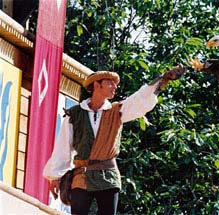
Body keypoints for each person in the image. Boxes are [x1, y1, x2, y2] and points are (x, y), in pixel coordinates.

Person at [43, 65, 185, 215]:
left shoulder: (118, 111)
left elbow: (139, 100)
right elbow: (63, 146)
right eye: (110, 82)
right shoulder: (74, 114)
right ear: (97, 85)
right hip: (82, 175)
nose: (115, 86)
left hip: (108, 175)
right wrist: (55, 177)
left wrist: (162, 80)